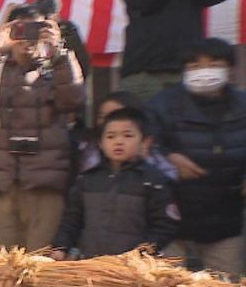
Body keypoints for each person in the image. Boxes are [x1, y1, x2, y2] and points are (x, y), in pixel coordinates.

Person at [147, 37, 246, 277]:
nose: (204, 72)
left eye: (213, 64)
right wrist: (169, 160)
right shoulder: (162, 105)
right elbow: (147, 146)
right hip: (170, 222)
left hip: (226, 221)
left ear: (229, 68)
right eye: (195, 67)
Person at [0, 3, 86, 251]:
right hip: (1, 182)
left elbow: (74, 100)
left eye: (35, 29)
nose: (26, 37)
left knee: (39, 264)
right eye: (19, 29)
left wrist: (60, 52)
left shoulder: (56, 67)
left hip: (45, 183)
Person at [51, 107, 177, 260]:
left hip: (135, 266)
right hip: (91, 261)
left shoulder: (154, 180)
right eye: (110, 137)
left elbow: (164, 226)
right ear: (100, 143)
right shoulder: (88, 178)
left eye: (127, 136)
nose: (118, 142)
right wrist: (60, 247)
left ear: (145, 142)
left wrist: (142, 253)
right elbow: (72, 219)